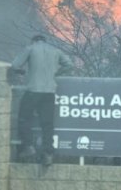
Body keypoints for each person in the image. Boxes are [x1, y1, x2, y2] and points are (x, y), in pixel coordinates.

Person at [11, 35, 73, 165]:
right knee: (47, 124)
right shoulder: (55, 50)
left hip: (33, 90)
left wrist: (22, 72)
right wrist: (56, 73)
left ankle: (28, 147)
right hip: (50, 92)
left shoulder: (30, 48)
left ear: (33, 41)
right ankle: (48, 154)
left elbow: (15, 65)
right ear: (45, 41)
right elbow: (69, 64)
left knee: (24, 118)